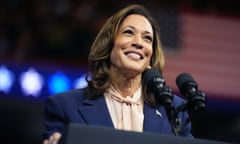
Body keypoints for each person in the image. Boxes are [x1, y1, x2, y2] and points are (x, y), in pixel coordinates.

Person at [42, 4, 193, 144]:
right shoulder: (65, 106)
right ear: (108, 45)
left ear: (150, 58)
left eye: (147, 38)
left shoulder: (174, 110)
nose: (139, 43)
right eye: (129, 32)